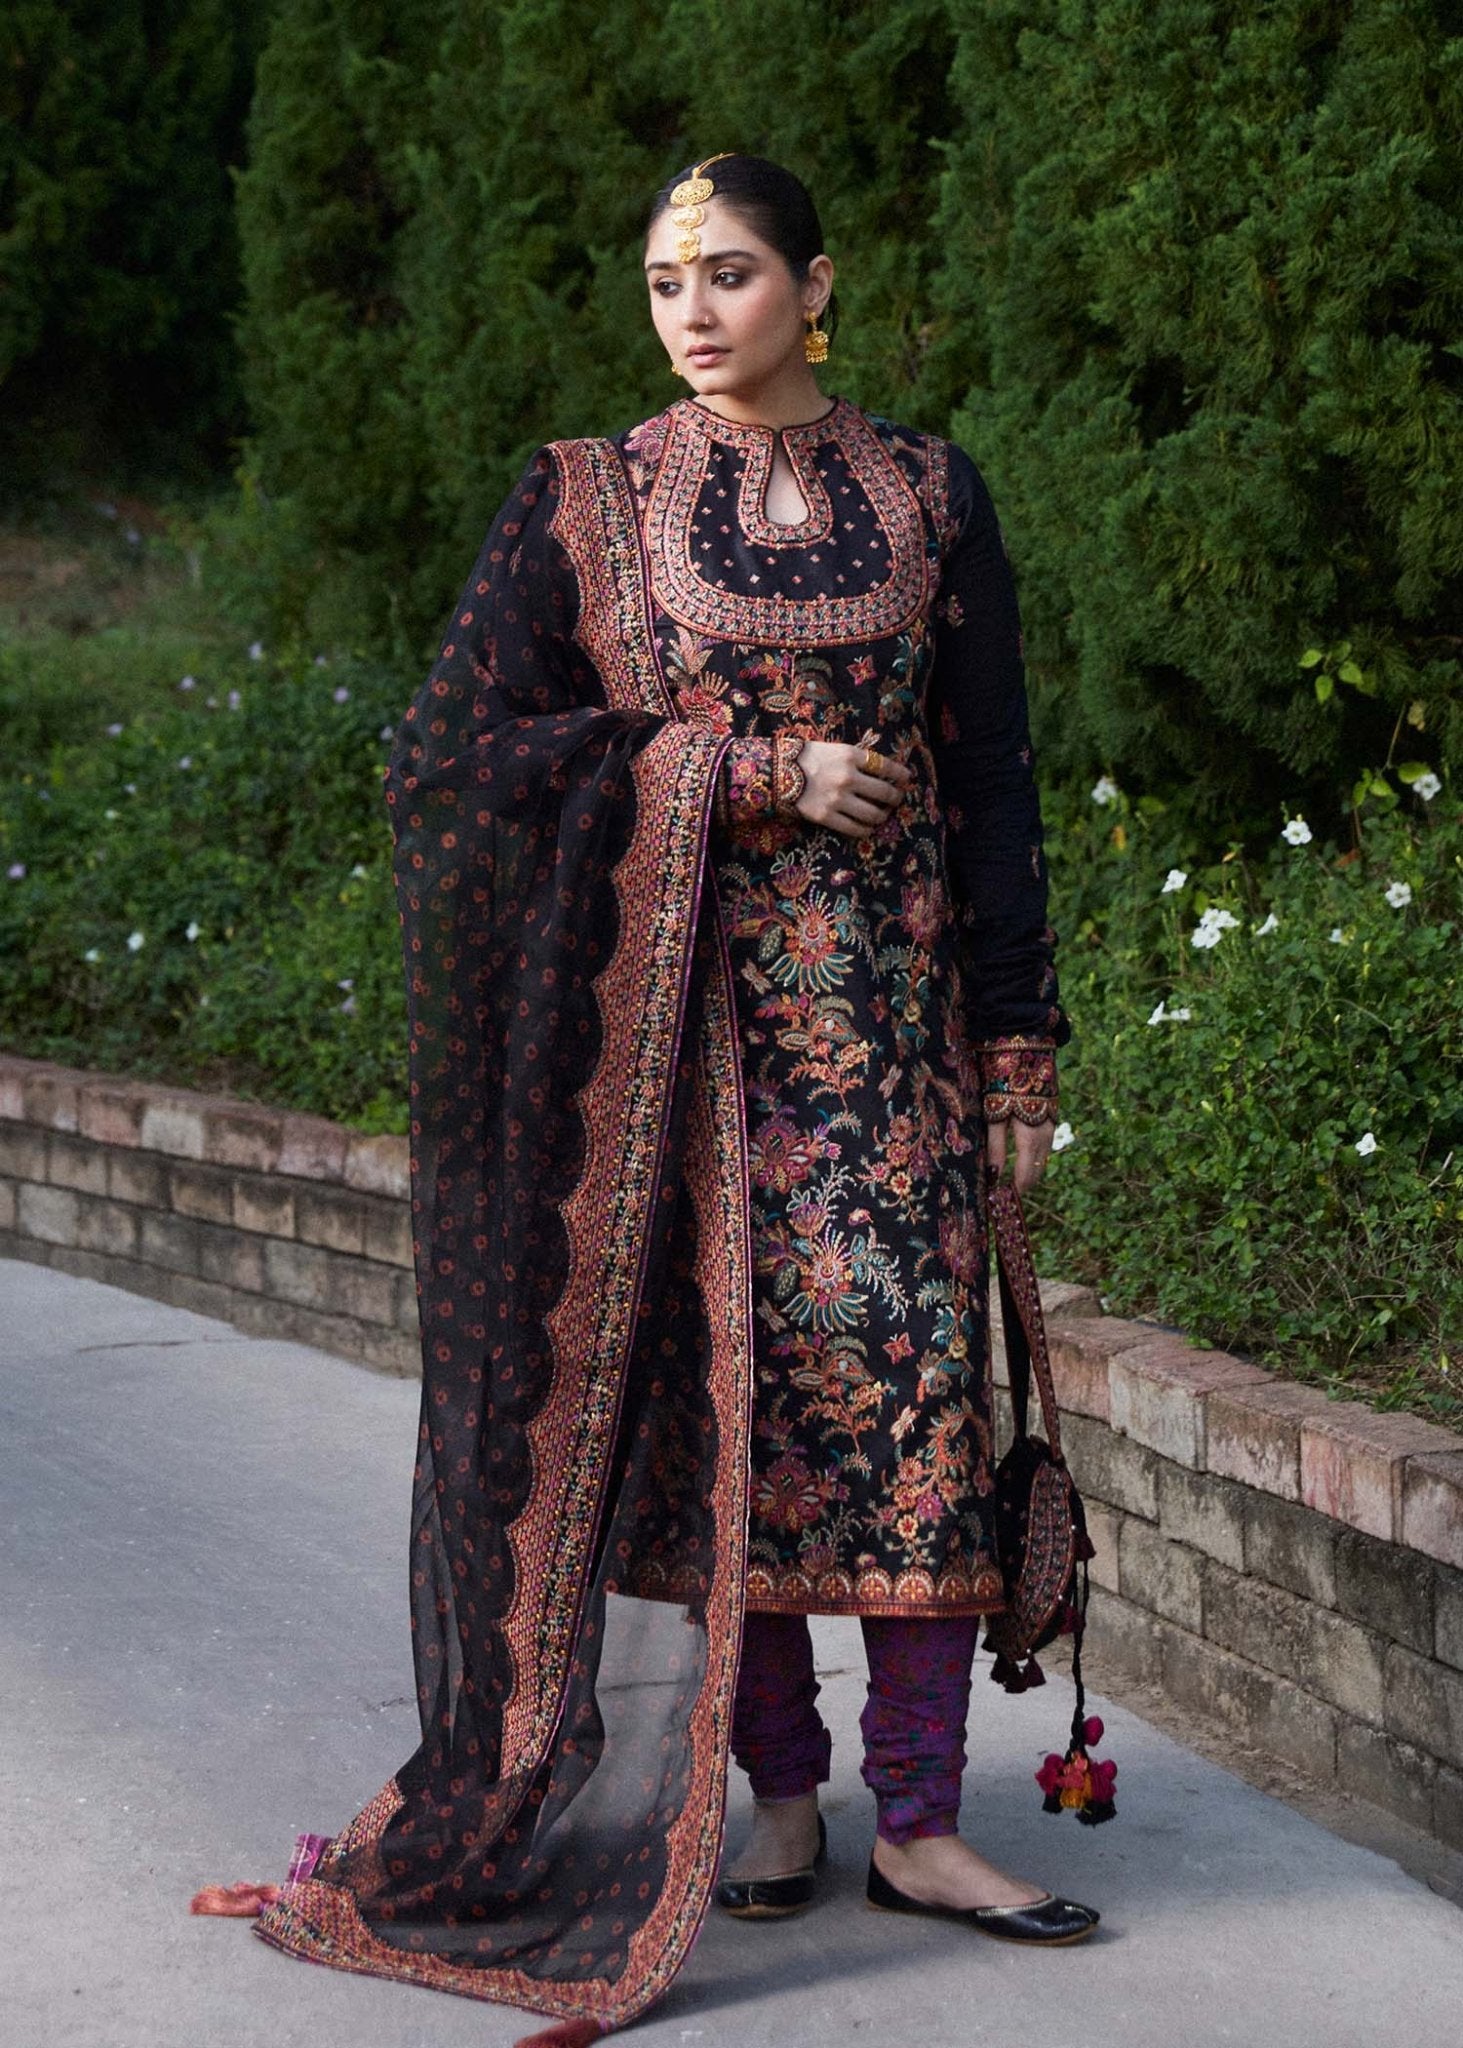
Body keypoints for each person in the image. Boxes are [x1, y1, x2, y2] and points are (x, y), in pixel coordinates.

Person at [247, 153, 1095, 2047]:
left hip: (888, 1052)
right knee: (740, 1419)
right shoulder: (588, 496)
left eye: (727, 273)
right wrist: (737, 772)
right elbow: (455, 762)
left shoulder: (935, 499)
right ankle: (780, 1799)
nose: (693, 309)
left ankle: (931, 1825)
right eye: (661, 281)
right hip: (682, 1069)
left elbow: (999, 787)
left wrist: (1017, 1048)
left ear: (818, 283)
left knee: (913, 1403)